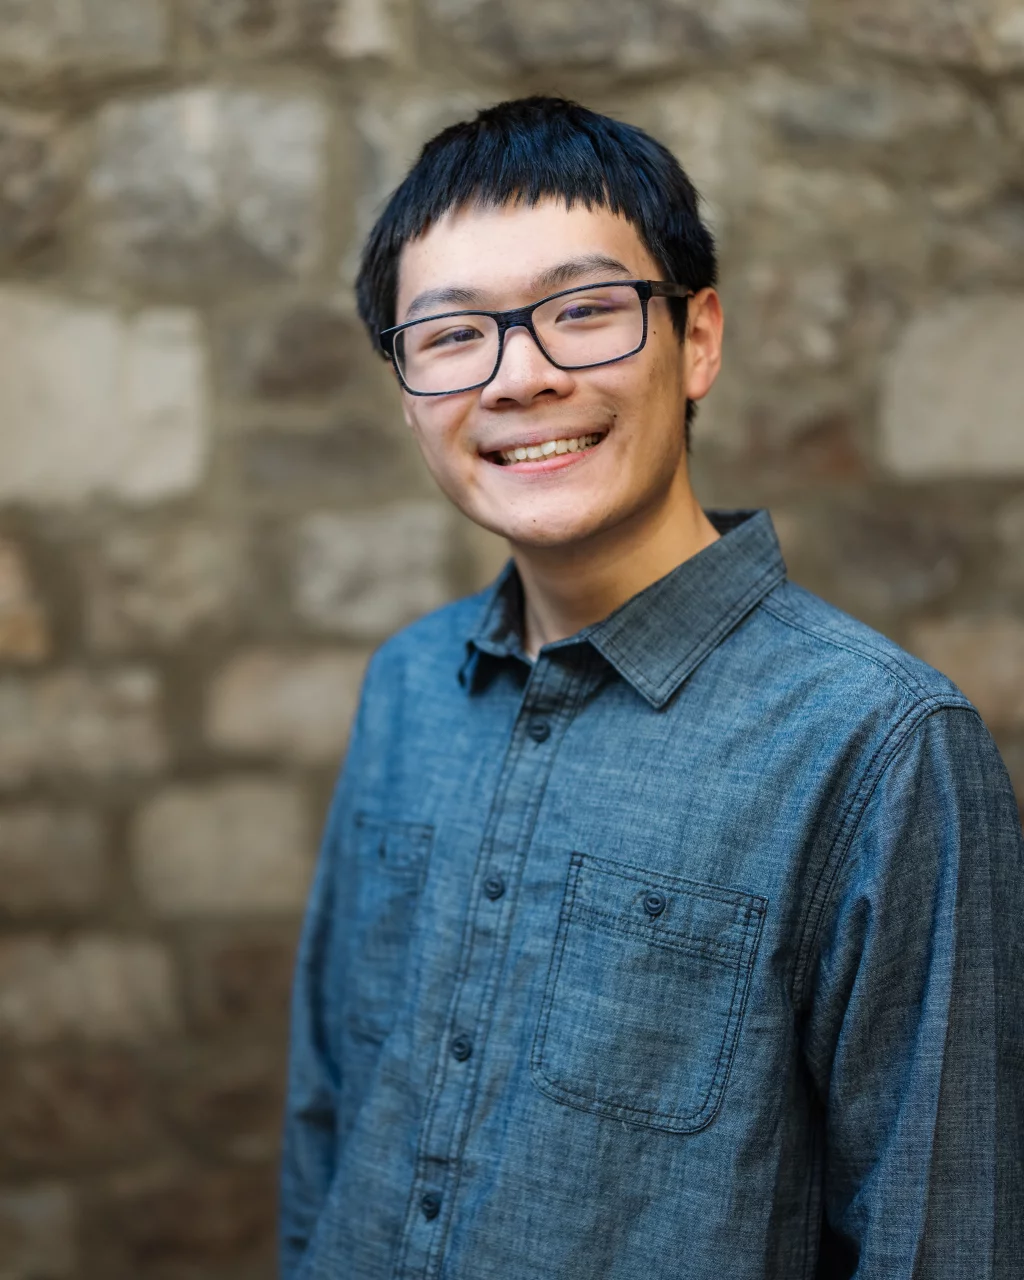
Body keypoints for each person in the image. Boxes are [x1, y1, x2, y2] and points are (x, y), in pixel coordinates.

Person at [278, 97, 1024, 1280]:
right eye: (452, 334)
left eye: (582, 311)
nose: (518, 376)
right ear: (409, 386)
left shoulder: (880, 746)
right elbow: (329, 1104)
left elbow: (944, 1238)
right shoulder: (406, 685)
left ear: (699, 339)